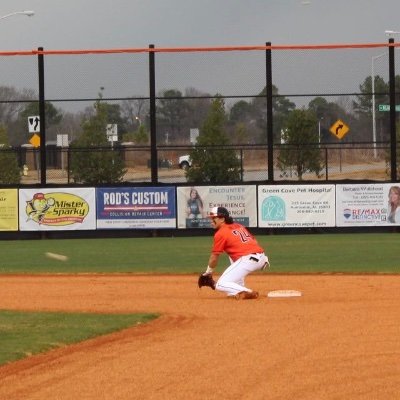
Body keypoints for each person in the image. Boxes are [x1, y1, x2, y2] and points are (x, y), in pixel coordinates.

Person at [201, 206, 269, 299]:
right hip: (261, 257)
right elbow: (254, 241)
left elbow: (214, 258)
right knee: (232, 256)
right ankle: (235, 291)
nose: (211, 221)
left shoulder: (221, 233)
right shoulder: (238, 226)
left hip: (248, 260)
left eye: (214, 218)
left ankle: (248, 292)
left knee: (220, 284)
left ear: (222, 219)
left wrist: (208, 272)